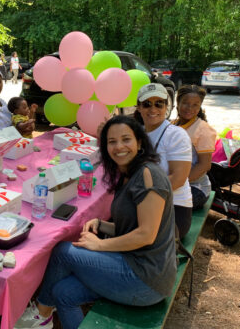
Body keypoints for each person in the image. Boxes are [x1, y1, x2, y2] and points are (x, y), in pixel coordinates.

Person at [14, 115, 176, 329]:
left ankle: (41, 311)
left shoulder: (148, 176)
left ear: (139, 142)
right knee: (62, 292)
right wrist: (102, 224)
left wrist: (100, 244)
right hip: (133, 264)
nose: (119, 147)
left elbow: (146, 234)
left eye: (126, 139)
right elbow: (132, 227)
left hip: (146, 279)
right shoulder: (128, 173)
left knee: (63, 251)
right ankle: (44, 315)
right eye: (112, 141)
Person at [134, 83, 193, 239]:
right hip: (143, 202)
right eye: (147, 104)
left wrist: (139, 196)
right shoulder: (136, 132)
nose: (153, 109)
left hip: (174, 208)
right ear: (138, 107)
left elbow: (178, 179)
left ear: (167, 106)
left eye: (159, 103)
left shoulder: (176, 135)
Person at [172, 85, 217, 209]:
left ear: (200, 107)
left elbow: (204, 165)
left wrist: (175, 183)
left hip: (196, 188)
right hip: (173, 182)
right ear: (178, 103)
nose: (189, 108)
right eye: (185, 103)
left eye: (195, 105)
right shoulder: (172, 125)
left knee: (156, 203)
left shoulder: (203, 129)